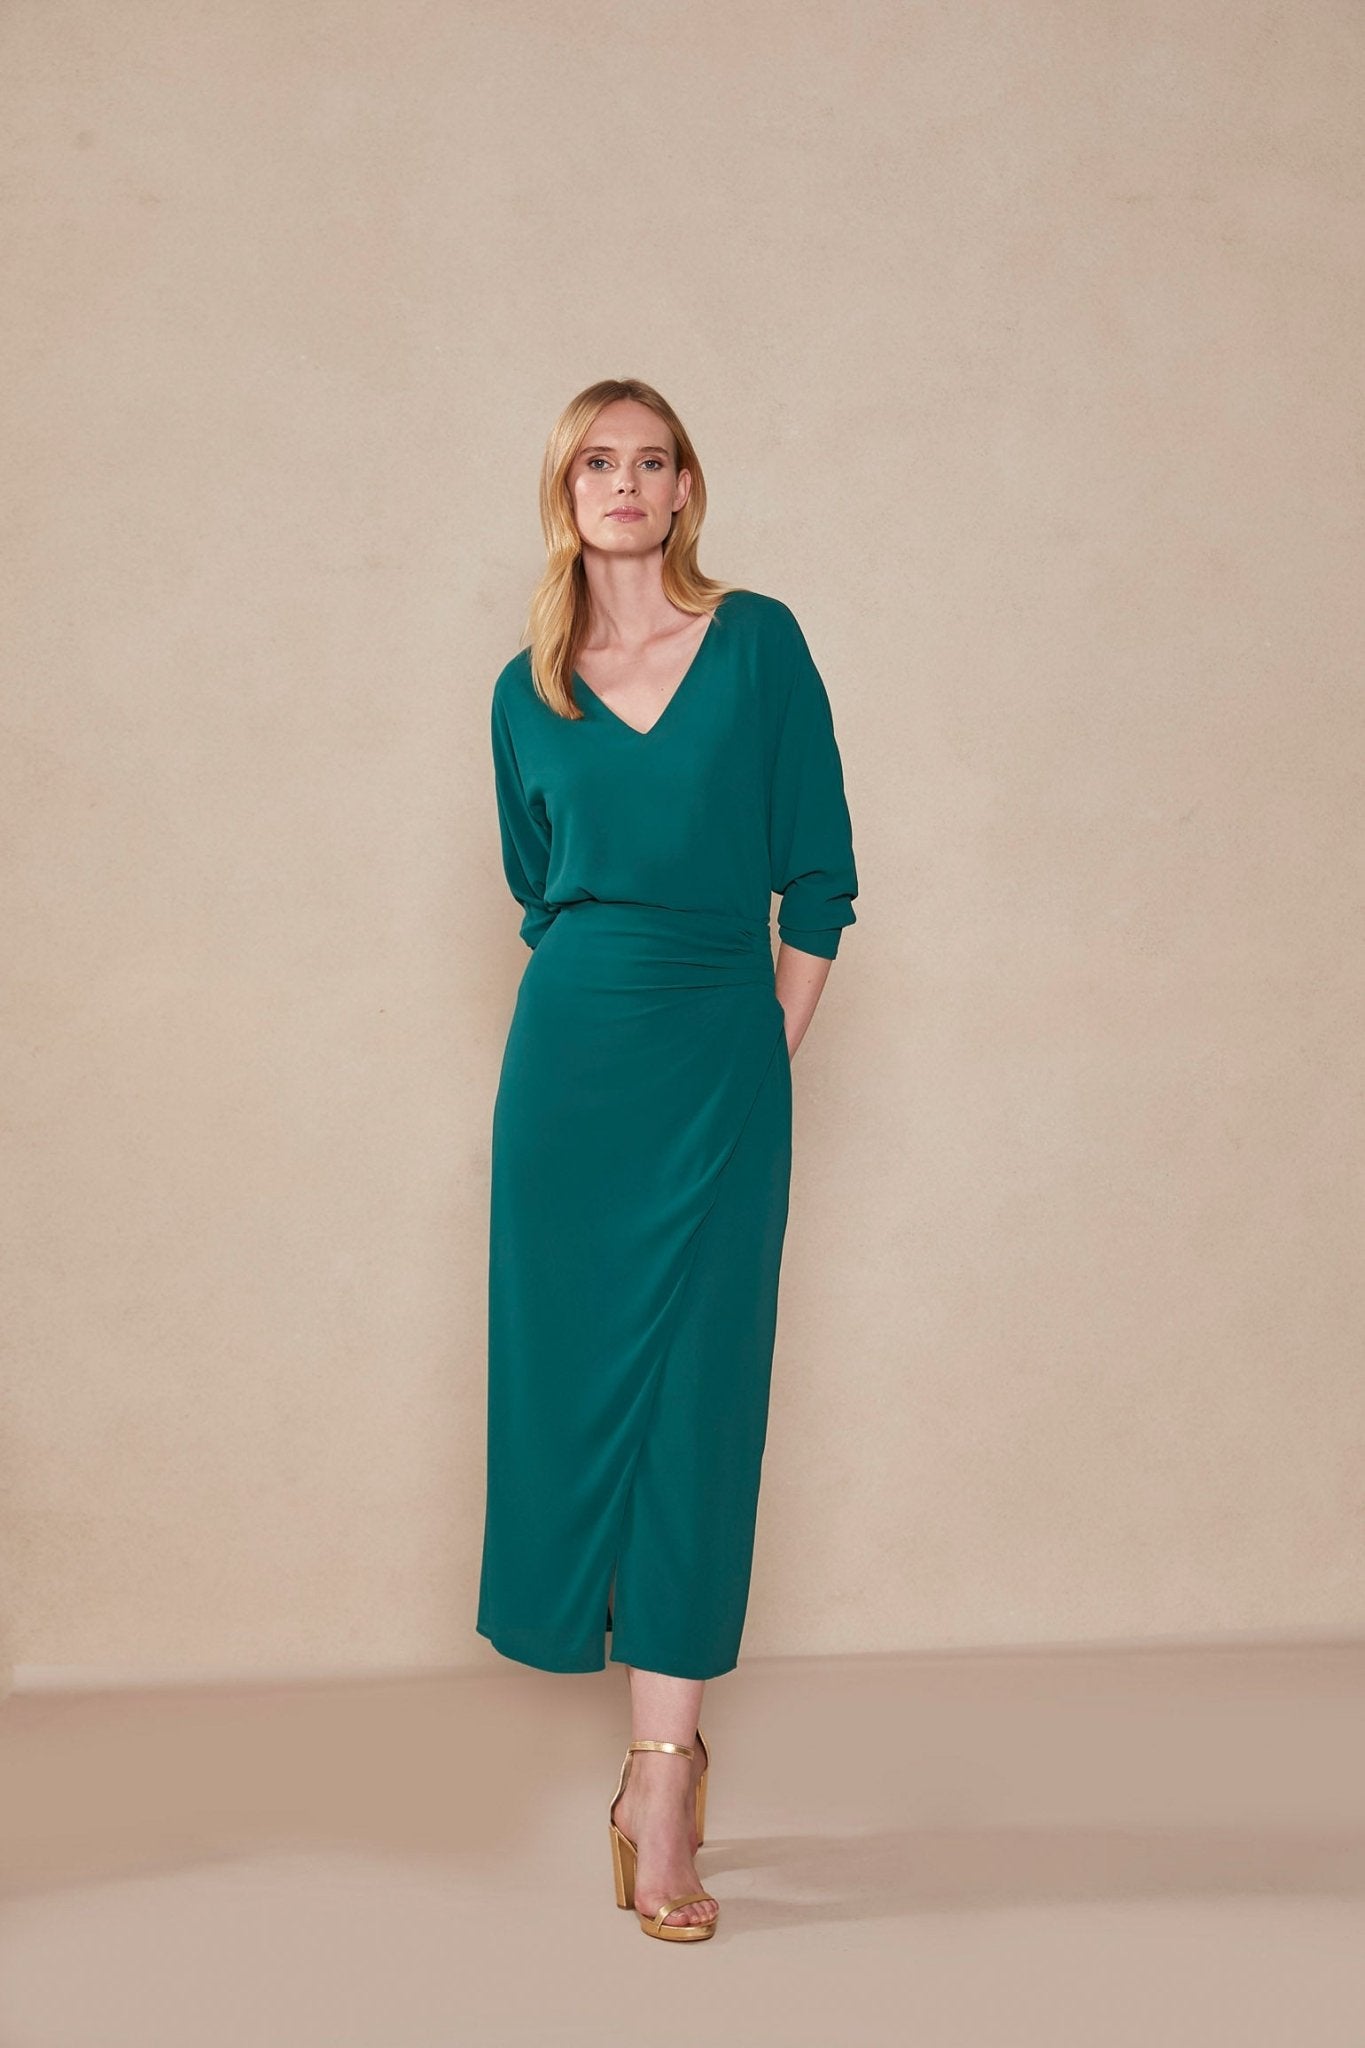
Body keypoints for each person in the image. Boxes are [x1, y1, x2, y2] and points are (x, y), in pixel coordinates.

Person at [476, 377, 858, 1940]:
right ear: (563, 491)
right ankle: (646, 1766)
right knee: (567, 1391)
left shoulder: (757, 644)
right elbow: (537, 889)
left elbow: (817, 880)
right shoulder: (526, 690)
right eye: (595, 462)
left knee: (701, 1406)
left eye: (649, 460)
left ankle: (664, 1779)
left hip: (718, 1057)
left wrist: (758, 1052)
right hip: (568, 1070)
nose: (623, 484)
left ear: (686, 487)